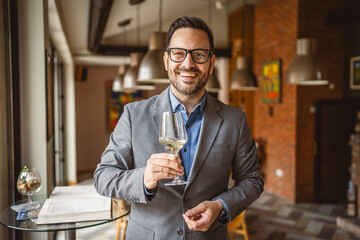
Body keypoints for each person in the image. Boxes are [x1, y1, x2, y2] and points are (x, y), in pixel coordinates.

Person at [94, 16, 263, 240]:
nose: (188, 63)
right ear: (166, 60)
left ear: (211, 63)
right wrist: (144, 178)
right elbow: (103, 178)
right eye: (178, 53)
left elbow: (252, 180)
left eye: (199, 54)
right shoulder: (134, 115)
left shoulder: (235, 120)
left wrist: (220, 206)